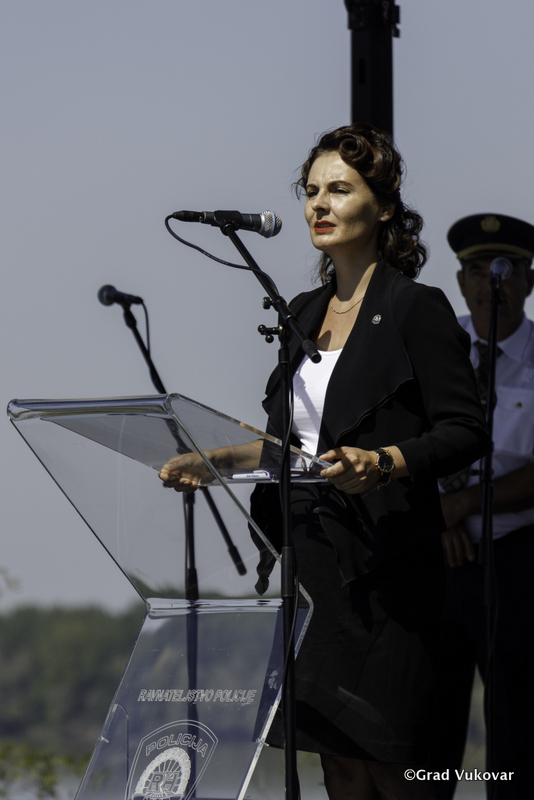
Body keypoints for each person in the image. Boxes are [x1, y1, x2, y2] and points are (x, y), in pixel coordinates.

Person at [159, 124, 488, 800]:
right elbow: (290, 446)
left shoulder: (415, 308)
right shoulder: (301, 314)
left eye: (339, 189)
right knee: (338, 766)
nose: (319, 204)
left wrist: (386, 460)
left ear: (385, 207)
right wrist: (215, 458)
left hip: (391, 574)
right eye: (311, 191)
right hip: (315, 574)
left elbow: (466, 430)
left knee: (395, 768)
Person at [430, 213, 534, 799]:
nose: (491, 282)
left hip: (517, 560)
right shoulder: (435, 350)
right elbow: (404, 441)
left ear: (529, 280)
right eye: (476, 270)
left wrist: (464, 503)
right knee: (428, 725)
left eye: (506, 268)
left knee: (515, 730)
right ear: (461, 282)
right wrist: (438, 512)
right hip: (438, 561)